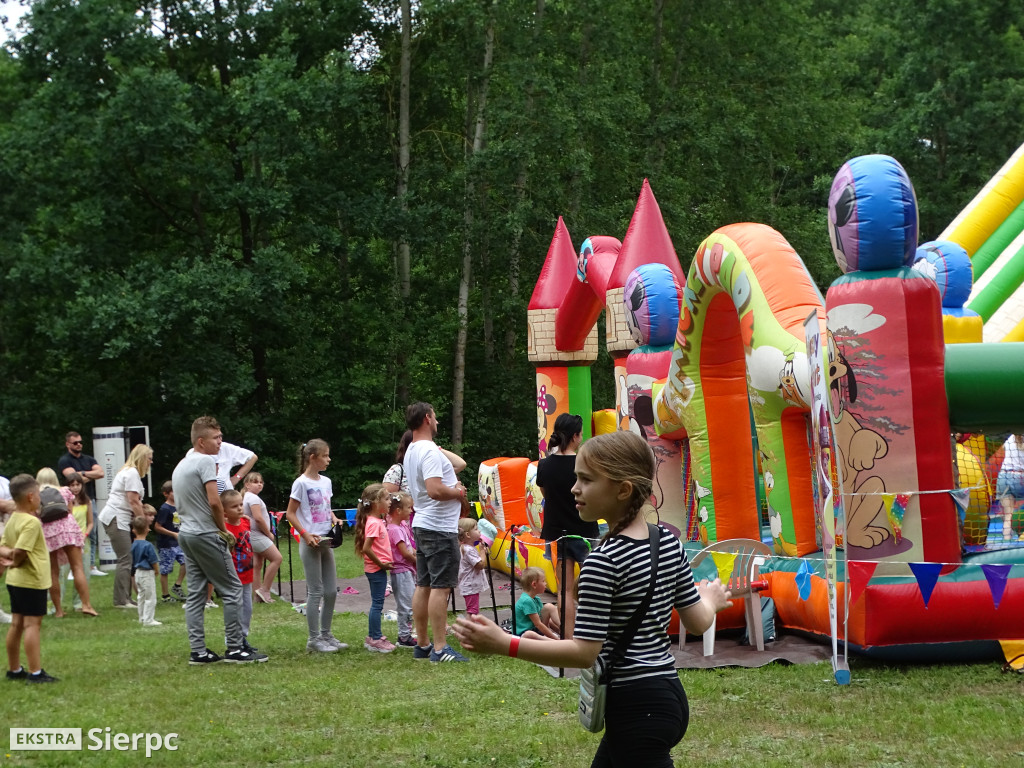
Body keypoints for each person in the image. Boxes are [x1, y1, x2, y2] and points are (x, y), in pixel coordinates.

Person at [454, 431, 734, 767]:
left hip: (635, 708)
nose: (574, 489)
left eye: (586, 480)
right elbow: (698, 621)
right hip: (663, 695)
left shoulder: (604, 560)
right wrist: (711, 599)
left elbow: (584, 652)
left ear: (623, 489)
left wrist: (506, 644)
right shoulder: (668, 543)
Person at [173, 416, 267, 664]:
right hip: (206, 534)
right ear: (201, 441)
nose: (220, 442)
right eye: (216, 438)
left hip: (187, 534)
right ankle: (235, 649)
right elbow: (215, 500)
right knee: (234, 589)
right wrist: (221, 529)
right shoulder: (205, 461)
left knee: (195, 594)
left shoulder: (182, 464)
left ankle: (198, 651)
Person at [403, 402, 470, 663]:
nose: (438, 423)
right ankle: (441, 649)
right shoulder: (428, 451)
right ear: (428, 418)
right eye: (436, 418)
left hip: (423, 523)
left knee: (424, 585)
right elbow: (434, 489)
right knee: (440, 588)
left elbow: (457, 465)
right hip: (439, 528)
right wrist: (459, 492)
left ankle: (423, 644)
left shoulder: (412, 450)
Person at [536, 412, 597, 635]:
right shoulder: (584, 464)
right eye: (580, 434)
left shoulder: (544, 465)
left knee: (564, 590)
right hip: (585, 532)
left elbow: (545, 493)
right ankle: (593, 633)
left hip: (558, 533)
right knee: (595, 584)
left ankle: (568, 637)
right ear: (574, 436)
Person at [285, 439, 346, 654]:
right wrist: (305, 533)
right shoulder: (301, 483)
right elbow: (290, 514)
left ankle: (327, 634)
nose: (329, 460)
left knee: (331, 591)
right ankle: (314, 638)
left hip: (325, 540)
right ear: (313, 457)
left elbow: (325, 507)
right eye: (325, 455)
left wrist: (334, 518)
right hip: (309, 542)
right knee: (316, 591)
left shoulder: (326, 482)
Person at [0, 474, 58, 682]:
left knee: (16, 623)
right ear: (31, 497)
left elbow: (4, 546)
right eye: (39, 495)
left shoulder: (13, 518)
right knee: (32, 625)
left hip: (14, 581)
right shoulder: (31, 522)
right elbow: (20, 552)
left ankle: (14, 669)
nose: (41, 499)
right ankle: (35, 672)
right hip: (31, 580)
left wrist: (8, 556)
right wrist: (13, 559)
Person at [35, 468, 97, 618]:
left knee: (54, 572)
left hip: (49, 533)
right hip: (68, 529)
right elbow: (69, 510)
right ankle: (86, 605)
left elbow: (36, 515)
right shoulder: (64, 491)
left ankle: (58, 611)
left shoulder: (36, 495)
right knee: (77, 568)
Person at [98, 444, 152, 608]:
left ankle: (126, 598)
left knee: (127, 558)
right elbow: (133, 501)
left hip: (118, 518)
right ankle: (121, 600)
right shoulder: (132, 473)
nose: (151, 461)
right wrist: (142, 523)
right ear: (142, 458)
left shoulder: (128, 472)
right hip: (116, 518)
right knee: (125, 558)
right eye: (149, 458)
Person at [57, 431, 106, 576]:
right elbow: (72, 478)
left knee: (92, 531)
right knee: (73, 531)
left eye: (80, 442)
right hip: (71, 501)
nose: (79, 445)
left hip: (88, 499)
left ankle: (91, 566)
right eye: (75, 443)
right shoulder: (64, 460)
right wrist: (90, 474)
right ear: (68, 444)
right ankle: (73, 566)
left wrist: (82, 474)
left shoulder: (89, 459)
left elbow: (101, 473)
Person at [354, 483, 395, 653]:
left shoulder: (377, 521)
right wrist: (381, 564)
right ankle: (375, 639)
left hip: (378, 569)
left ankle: (373, 636)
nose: (390, 502)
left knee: (377, 603)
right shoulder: (374, 523)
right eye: (386, 499)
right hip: (376, 569)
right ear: (376, 503)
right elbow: (366, 548)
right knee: (377, 604)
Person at [384, 431, 466, 495]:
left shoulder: (431, 468)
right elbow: (386, 498)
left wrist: (436, 449)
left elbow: (460, 464)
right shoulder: (397, 470)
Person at [242, 472, 281, 604]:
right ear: (247, 485)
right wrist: (268, 533)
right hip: (257, 534)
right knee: (277, 559)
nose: (259, 484)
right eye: (255, 482)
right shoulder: (253, 498)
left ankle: (257, 595)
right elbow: (258, 518)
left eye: (261, 482)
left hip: (251, 534)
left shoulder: (247, 497)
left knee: (257, 564)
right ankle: (265, 590)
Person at [223, 490, 255, 644]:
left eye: (241, 504)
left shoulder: (245, 522)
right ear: (224, 512)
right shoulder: (223, 528)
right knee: (236, 607)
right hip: (233, 575)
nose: (240, 508)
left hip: (247, 573)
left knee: (247, 608)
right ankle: (233, 637)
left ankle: (243, 636)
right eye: (234, 506)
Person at [386, 491, 417, 647]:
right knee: (406, 604)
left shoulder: (402, 525)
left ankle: (407, 634)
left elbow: (410, 548)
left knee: (410, 602)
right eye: (408, 508)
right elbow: (405, 552)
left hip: (407, 570)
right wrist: (418, 561)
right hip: (401, 572)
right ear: (398, 511)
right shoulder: (395, 529)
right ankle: (404, 637)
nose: (411, 511)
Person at [63, 473, 95, 612]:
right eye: (72, 485)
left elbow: (90, 523)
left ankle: (79, 603)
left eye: (78, 484)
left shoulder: (86, 501)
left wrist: (85, 534)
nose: (75, 488)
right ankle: (55, 603)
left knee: (82, 572)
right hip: (67, 540)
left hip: (82, 540)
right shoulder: (64, 501)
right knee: (62, 572)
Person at [154, 480, 187, 603]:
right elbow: (157, 527)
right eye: (173, 492)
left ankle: (177, 586)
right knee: (165, 569)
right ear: (166, 494)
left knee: (187, 562)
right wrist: (172, 534)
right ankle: (165, 596)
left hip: (179, 542)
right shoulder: (165, 508)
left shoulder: (179, 506)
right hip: (166, 544)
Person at [513, 566, 560, 639]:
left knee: (549, 607)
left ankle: (565, 632)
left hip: (535, 630)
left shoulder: (536, 599)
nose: (546, 584)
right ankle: (556, 641)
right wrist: (554, 638)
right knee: (529, 634)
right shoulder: (527, 601)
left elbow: (546, 620)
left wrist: (558, 630)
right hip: (524, 634)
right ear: (534, 584)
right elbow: (538, 624)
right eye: (543, 581)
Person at [130, 515, 161, 627]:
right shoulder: (148, 545)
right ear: (148, 529)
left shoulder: (133, 544)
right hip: (147, 573)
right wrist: (156, 571)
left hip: (137, 572)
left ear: (134, 530)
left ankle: (142, 617)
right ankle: (148, 620)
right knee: (150, 597)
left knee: (141, 596)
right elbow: (153, 560)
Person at [457, 517, 487, 617]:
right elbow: (480, 565)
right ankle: (470, 630)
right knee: (472, 611)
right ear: (468, 535)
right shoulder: (468, 550)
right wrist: (482, 552)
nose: (479, 531)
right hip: (470, 586)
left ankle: (471, 629)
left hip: (470, 585)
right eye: (476, 529)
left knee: (473, 609)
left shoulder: (468, 548)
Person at [997, 434, 1024, 541]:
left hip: (1004, 477)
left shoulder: (1010, 438)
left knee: (1008, 515)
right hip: (1020, 476)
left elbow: (1004, 448)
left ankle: (1007, 541)